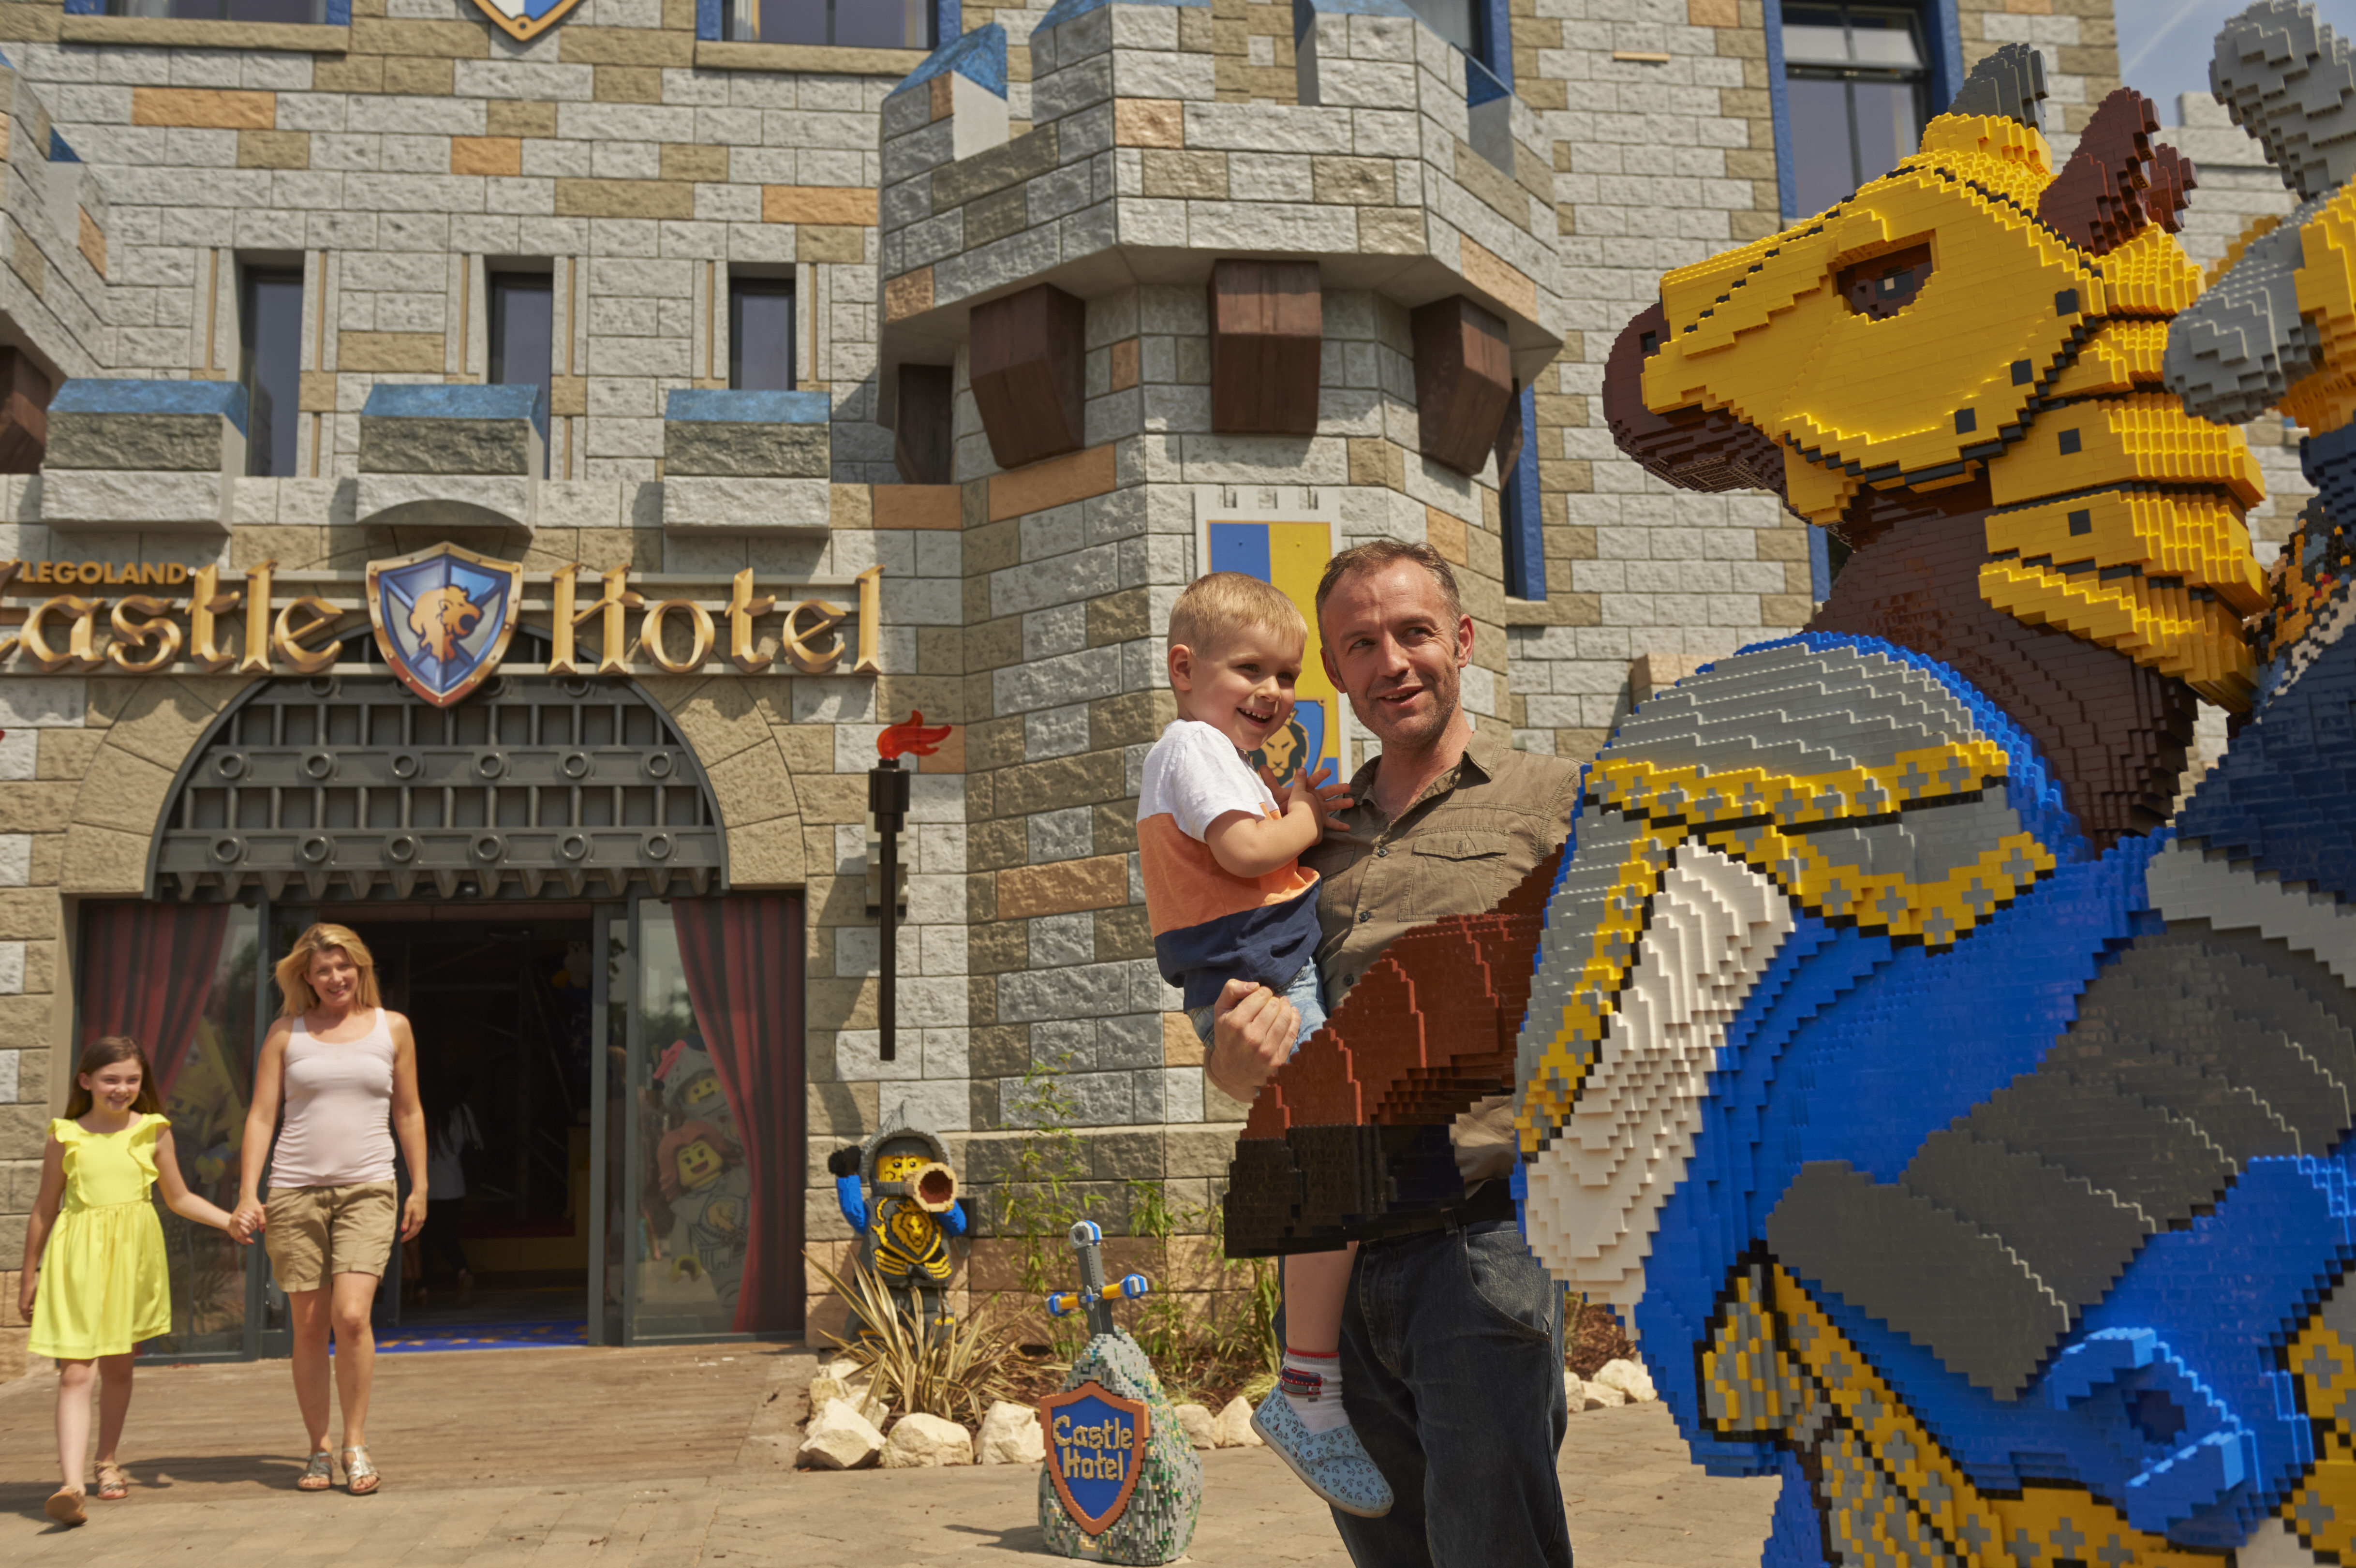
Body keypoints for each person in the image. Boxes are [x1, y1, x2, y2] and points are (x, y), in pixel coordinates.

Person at [1207, 540, 1583, 1566]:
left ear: (1460, 640)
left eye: (1413, 632)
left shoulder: (1555, 801)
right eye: (1360, 644)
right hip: (1334, 1254)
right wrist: (1233, 1067)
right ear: (1336, 672)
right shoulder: (1307, 835)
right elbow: (1259, 1025)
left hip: (1478, 1245)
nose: (1393, 661)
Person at [1138, 571, 1380, 1511]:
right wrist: (1304, 820)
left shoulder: (1222, 758)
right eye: (1250, 668)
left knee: (1333, 1163)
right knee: (1335, 1164)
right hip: (1259, 980)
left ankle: (1313, 1376)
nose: (1272, 691)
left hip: (1269, 970)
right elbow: (1243, 856)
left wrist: (1298, 818)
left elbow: (1259, 853)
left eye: (1285, 674)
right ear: (1182, 667)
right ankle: (1307, 1386)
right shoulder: (1191, 744)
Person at [229, 924, 428, 1497]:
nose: (335, 977)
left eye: (344, 966)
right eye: (323, 970)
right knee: (310, 1326)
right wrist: (249, 1192)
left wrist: (419, 1186)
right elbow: (262, 1115)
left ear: (361, 966)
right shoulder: (285, 1033)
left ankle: (354, 1441)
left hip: (369, 1187)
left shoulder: (393, 1027)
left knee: (353, 1315)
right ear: (306, 977)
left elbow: (410, 1111)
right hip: (294, 1192)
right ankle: (318, 1445)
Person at [19, 1035, 241, 1526]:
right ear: (86, 1081)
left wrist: (228, 1221)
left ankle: (107, 1460)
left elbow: (180, 1197)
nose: (122, 1088)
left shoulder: (154, 1131)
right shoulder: (64, 1134)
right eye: (110, 1079)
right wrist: (28, 1274)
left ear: (143, 1083)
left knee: (119, 1366)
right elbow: (43, 1208)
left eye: (131, 1079)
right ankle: (71, 1485)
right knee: (76, 1371)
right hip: (76, 1256)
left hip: (132, 1258)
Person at [420, 1066, 480, 1307]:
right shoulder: (462, 1112)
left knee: (420, 1239)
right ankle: (463, 1272)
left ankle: (421, 1287)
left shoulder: (421, 1113)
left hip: (423, 1186)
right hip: (454, 1186)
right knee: (446, 1237)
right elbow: (477, 1143)